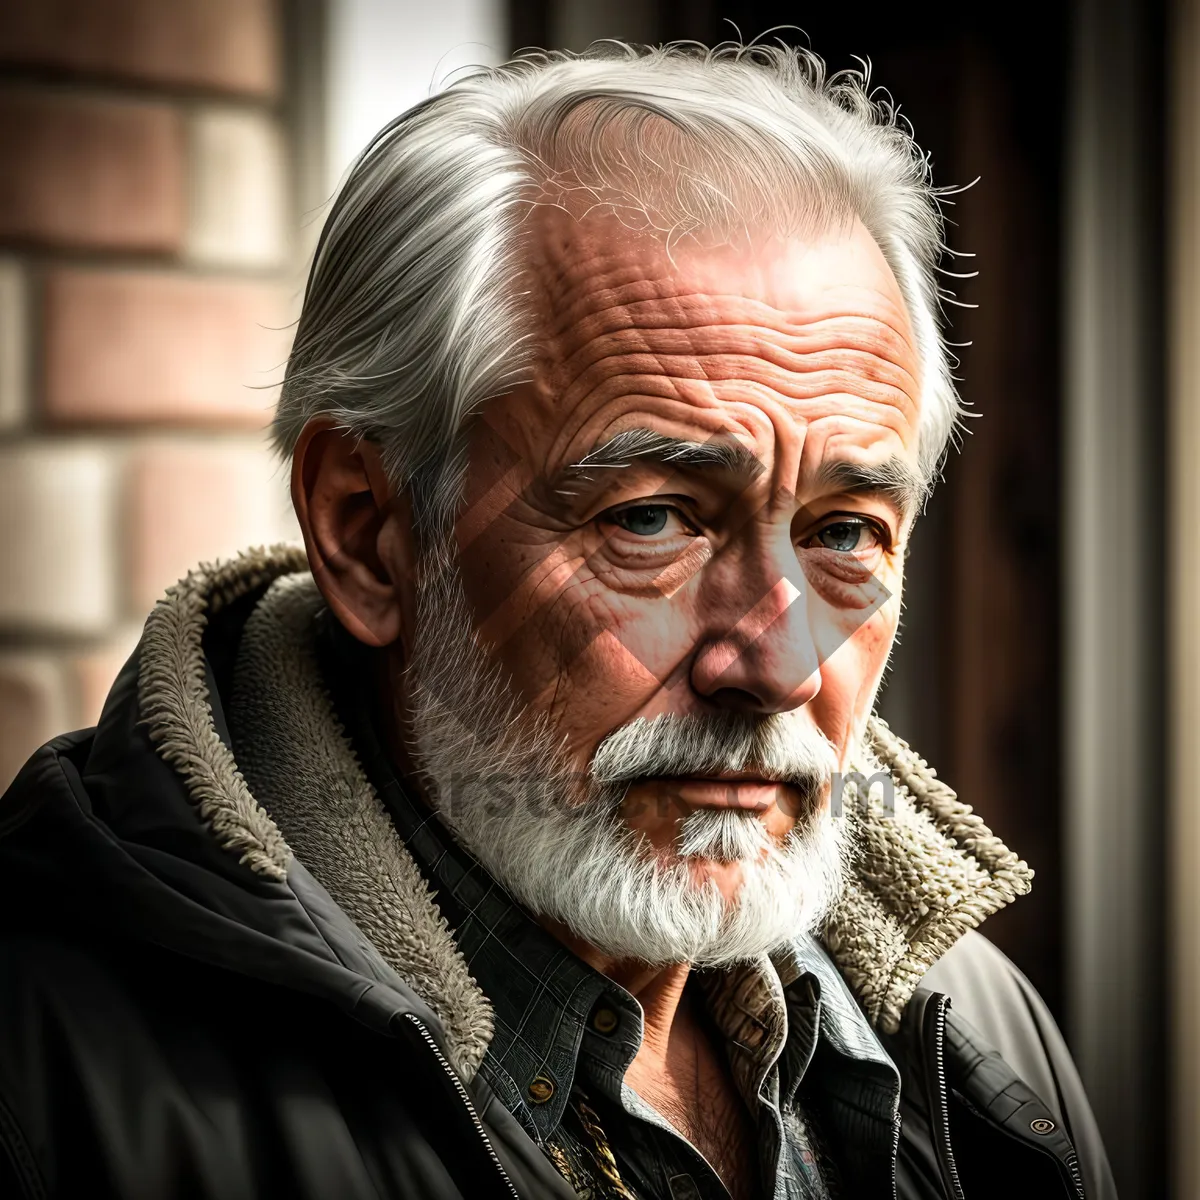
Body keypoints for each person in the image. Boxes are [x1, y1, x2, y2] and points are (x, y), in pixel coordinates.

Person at [0, 41, 1115, 1200]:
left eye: (844, 532)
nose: (779, 664)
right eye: (655, 521)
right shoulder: (51, 1085)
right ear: (369, 534)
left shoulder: (970, 1032)